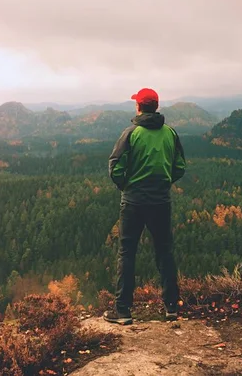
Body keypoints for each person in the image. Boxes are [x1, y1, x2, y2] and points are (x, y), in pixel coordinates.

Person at [104, 88, 186, 325]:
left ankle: (123, 311)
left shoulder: (131, 133)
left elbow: (115, 167)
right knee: (164, 251)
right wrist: (165, 182)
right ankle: (171, 307)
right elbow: (179, 166)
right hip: (161, 202)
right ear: (156, 107)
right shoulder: (170, 133)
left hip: (133, 202)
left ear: (139, 107)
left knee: (127, 252)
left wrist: (127, 187)